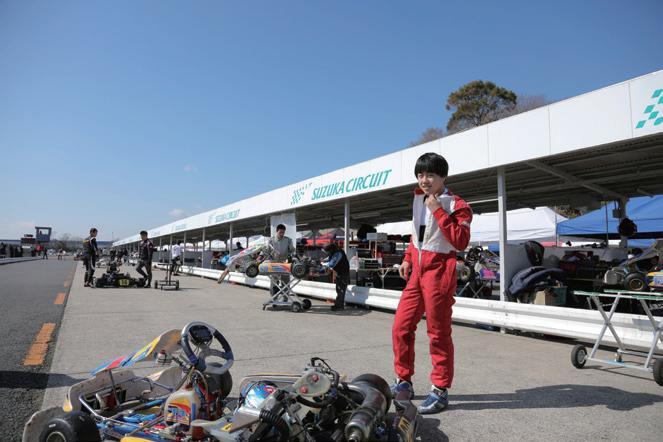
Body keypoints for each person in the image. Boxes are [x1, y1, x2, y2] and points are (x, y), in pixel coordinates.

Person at [391, 152, 472, 415]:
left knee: (438, 333)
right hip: (416, 272)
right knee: (401, 327)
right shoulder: (418, 199)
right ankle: (403, 380)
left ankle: (440, 389)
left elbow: (460, 241)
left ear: (443, 177)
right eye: (420, 175)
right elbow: (418, 235)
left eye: (430, 175)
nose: (424, 180)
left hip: (440, 271)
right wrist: (407, 258)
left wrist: (437, 209)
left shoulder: (458, 204)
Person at [264, 224, 295, 295]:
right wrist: (260, 258)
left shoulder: (288, 240)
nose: (282, 234)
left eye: (283, 232)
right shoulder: (271, 240)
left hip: (284, 264)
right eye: (280, 232)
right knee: (274, 282)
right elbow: (266, 251)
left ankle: (285, 298)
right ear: (277, 231)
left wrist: (292, 253)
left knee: (286, 282)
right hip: (274, 263)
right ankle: (274, 298)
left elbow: (292, 250)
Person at [322, 243, 350, 311]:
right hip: (340, 273)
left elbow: (332, 264)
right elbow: (329, 258)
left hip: (343, 273)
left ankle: (339, 306)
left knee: (340, 290)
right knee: (338, 289)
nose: (326, 253)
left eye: (327, 251)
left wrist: (323, 266)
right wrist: (323, 260)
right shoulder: (334, 252)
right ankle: (338, 305)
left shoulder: (338, 253)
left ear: (330, 249)